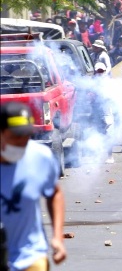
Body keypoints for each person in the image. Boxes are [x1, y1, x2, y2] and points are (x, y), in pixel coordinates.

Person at [0, 102, 67, 270]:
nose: (22, 142)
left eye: (26, 136)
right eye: (16, 137)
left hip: (30, 257)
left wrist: (57, 237)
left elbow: (54, 193)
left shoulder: (40, 157)